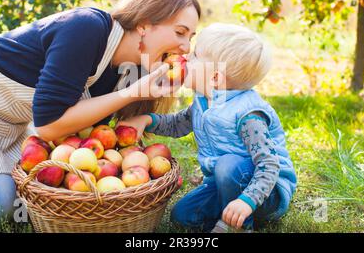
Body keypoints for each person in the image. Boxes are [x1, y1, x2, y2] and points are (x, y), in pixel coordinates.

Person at [0, 0, 200, 222]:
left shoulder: (125, 72)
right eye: (180, 32)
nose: (186, 47)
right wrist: (132, 93)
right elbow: (49, 125)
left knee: (26, 200)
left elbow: (81, 132)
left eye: (191, 37)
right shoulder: (87, 28)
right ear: (144, 25)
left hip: (5, 121)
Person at [118, 23, 297, 232]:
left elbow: (269, 165)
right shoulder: (204, 101)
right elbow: (178, 124)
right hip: (223, 183)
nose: (185, 58)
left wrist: (246, 201)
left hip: (266, 192)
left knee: (227, 165)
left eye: (195, 56)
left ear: (214, 78)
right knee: (182, 216)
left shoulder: (248, 115)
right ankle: (226, 211)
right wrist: (148, 120)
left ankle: (238, 225)